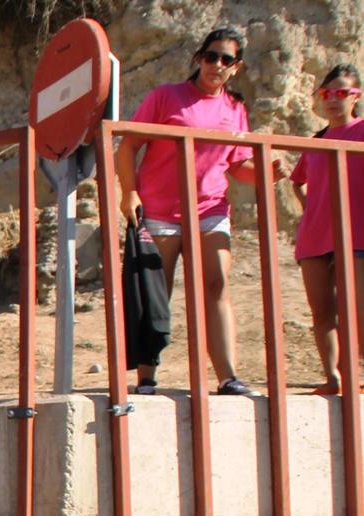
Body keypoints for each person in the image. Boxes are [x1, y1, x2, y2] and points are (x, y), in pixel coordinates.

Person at [115, 26, 281, 397]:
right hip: (160, 208)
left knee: (217, 283)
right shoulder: (166, 97)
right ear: (198, 58)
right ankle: (146, 377)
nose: (216, 65)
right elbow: (127, 148)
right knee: (155, 291)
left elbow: (236, 165)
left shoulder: (236, 109)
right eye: (210, 56)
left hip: (210, 208)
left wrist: (268, 173)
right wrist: (129, 194)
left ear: (236, 67)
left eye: (226, 59)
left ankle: (227, 376)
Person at [290, 64, 364, 394]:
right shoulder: (318, 140)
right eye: (327, 93)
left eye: (342, 93)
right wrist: (313, 213)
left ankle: (355, 376)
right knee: (322, 312)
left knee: (358, 311)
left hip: (358, 233)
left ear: (356, 97)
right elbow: (298, 181)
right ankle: (332, 377)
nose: (333, 100)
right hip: (315, 237)